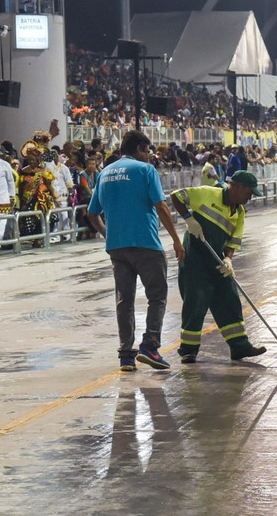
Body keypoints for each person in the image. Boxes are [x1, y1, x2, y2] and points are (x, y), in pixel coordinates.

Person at [87, 130, 185, 372]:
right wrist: (176, 239)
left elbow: (92, 213)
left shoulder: (105, 173)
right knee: (157, 295)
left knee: (124, 300)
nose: (150, 156)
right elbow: (161, 206)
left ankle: (126, 356)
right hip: (146, 243)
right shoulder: (145, 170)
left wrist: (108, 234)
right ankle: (150, 346)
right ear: (140, 149)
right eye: (148, 151)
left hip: (117, 247)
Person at [170, 171, 267, 363]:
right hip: (195, 260)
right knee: (196, 303)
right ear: (236, 186)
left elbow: (233, 241)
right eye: (249, 192)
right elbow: (176, 196)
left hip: (217, 261)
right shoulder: (208, 193)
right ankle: (188, 350)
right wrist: (189, 220)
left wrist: (229, 260)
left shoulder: (239, 212)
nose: (250, 197)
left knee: (229, 299)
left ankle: (240, 346)